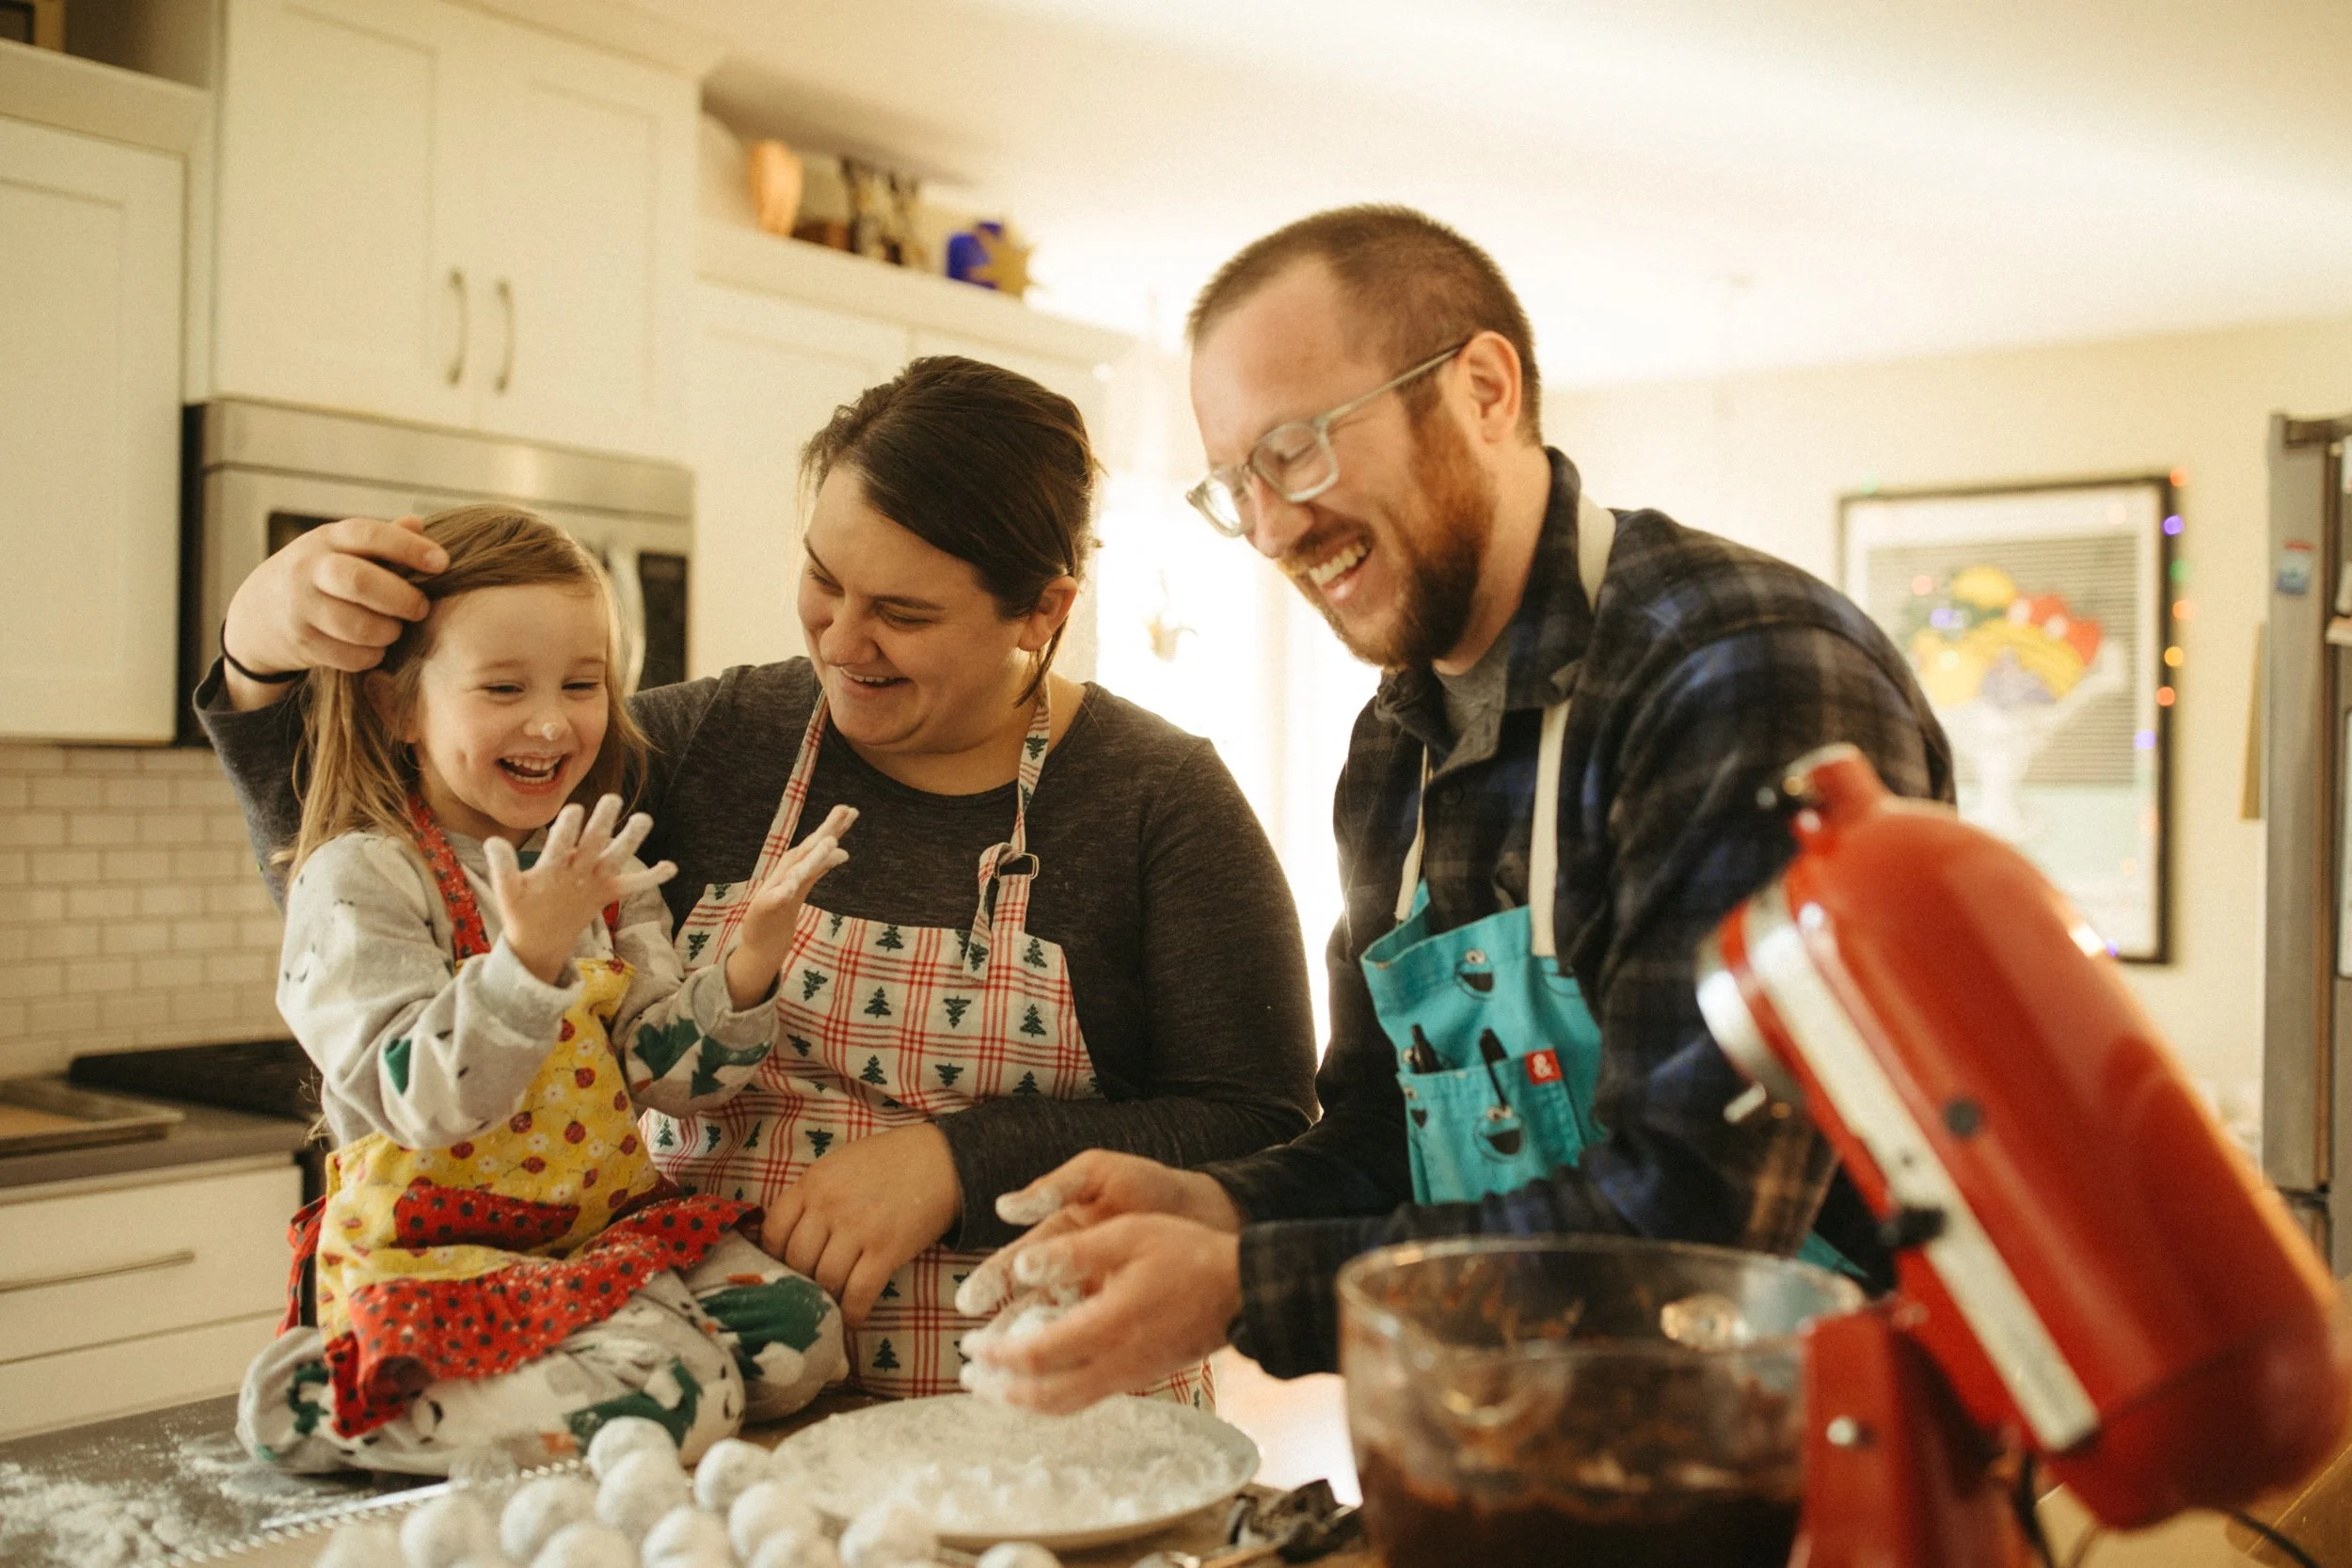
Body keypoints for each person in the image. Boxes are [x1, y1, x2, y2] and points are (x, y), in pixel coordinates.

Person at [959, 206, 1954, 1412]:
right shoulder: (1397, 746)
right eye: (1234, 485)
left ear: (1483, 389)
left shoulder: (1737, 677)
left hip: (1806, 1448)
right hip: (1519, 1438)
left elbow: (1698, 1218)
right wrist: (1219, 1204)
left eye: (1295, 449)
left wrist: (1240, 1284)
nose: (1270, 528)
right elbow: (1386, 1135)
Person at [199, 356, 1319, 1407]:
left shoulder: (1157, 799)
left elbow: (1261, 1126)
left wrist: (954, 1162)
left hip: (1056, 1436)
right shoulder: (706, 742)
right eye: (824, 580)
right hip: (723, 1434)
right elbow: (378, 853)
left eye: (904, 613)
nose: (843, 640)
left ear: (1043, 609)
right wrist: (260, 649)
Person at [238, 505, 851, 1475]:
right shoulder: (359, 876)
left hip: (594, 1232)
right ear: (399, 708)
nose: (553, 721)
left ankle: (536, 1382)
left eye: (581, 682)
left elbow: (665, 1079)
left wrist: (749, 961)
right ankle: (335, 1397)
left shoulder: (601, 866)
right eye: (503, 686)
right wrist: (527, 957)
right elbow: (420, 1100)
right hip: (437, 1247)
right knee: (683, 1395)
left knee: (799, 1335)